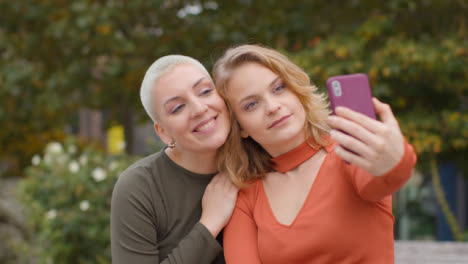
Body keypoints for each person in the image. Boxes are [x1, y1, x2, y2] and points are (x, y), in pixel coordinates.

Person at [213, 44, 417, 264]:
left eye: (279, 88)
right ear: (240, 127)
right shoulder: (245, 194)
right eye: (251, 104)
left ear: (297, 90)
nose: (272, 106)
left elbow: (388, 176)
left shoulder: (348, 154)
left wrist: (397, 157)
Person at [111, 55, 238, 264]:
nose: (199, 109)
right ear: (163, 133)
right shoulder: (139, 188)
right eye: (178, 108)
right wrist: (209, 224)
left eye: (205, 91)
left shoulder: (258, 157)